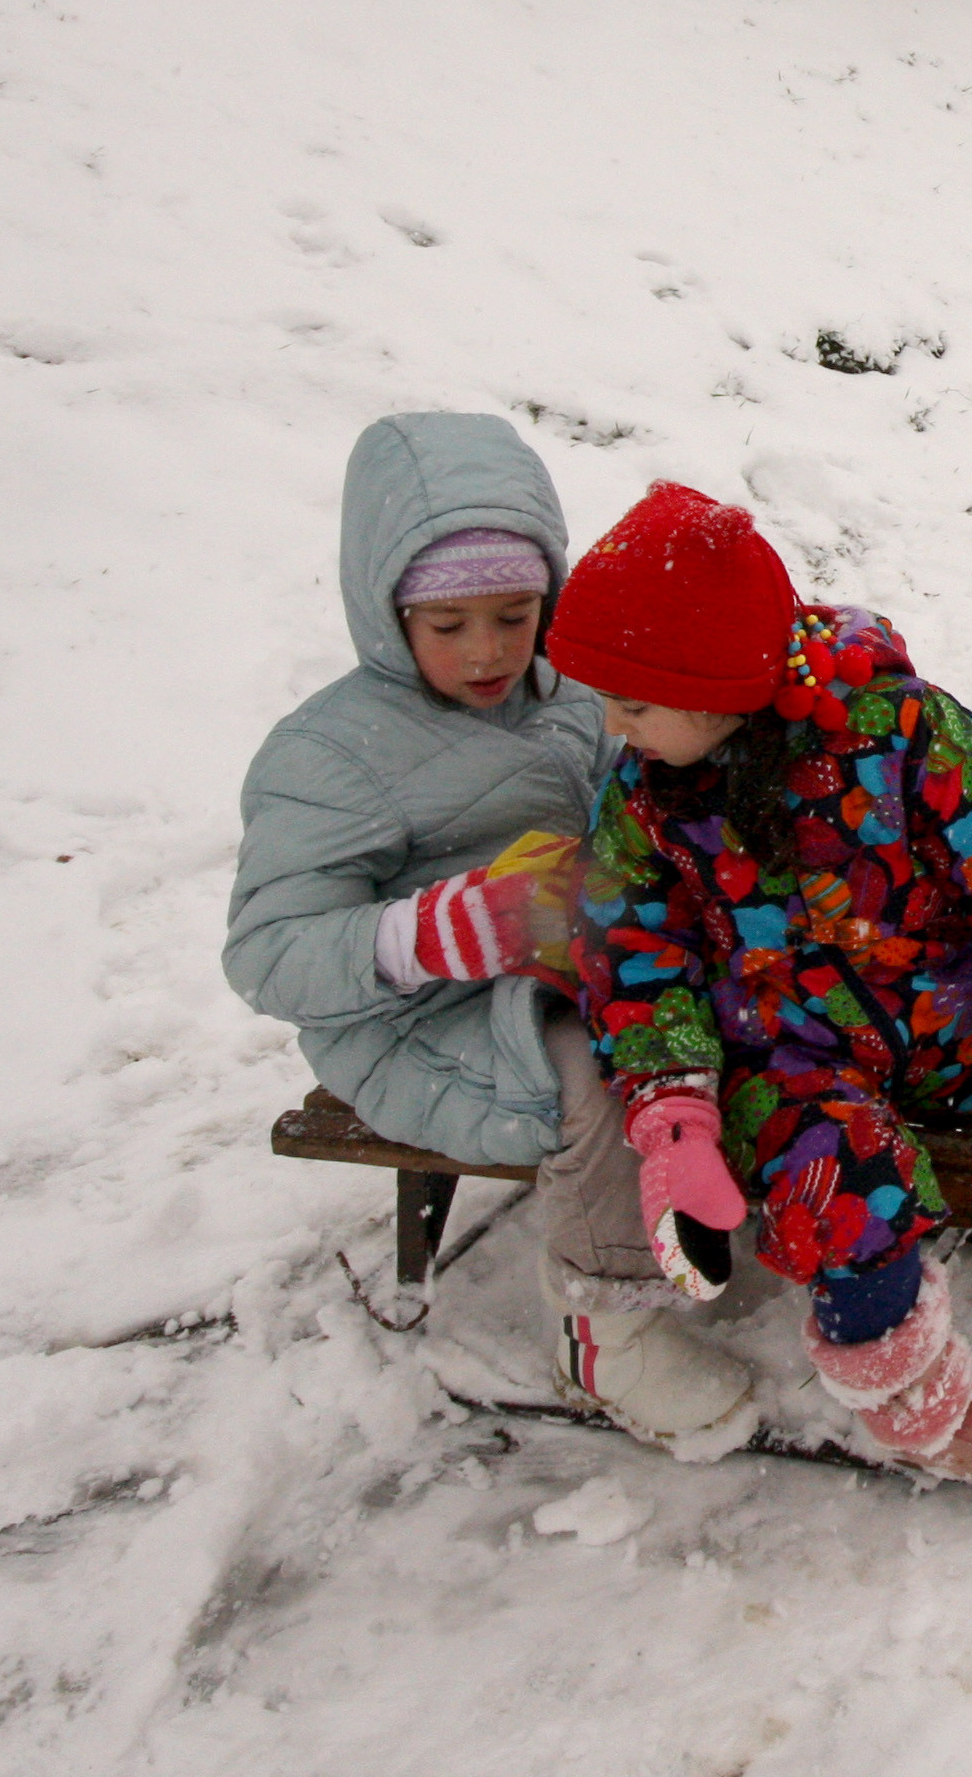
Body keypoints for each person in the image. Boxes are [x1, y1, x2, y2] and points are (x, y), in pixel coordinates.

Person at [547, 483, 972, 1496]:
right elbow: (633, 954)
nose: (611, 725)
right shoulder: (643, 800)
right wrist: (672, 1109)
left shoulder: (903, 736)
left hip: (958, 1018)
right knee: (835, 1195)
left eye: (630, 703)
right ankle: (924, 1410)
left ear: (716, 684)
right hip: (795, 1059)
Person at [225, 412, 761, 1460]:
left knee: (751, 999)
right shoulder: (329, 755)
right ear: (387, 616)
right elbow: (267, 952)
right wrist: (434, 932)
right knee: (616, 1075)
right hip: (420, 1015)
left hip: (574, 950)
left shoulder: (567, 692)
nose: (487, 652)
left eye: (514, 616)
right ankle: (609, 1332)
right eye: (448, 624)